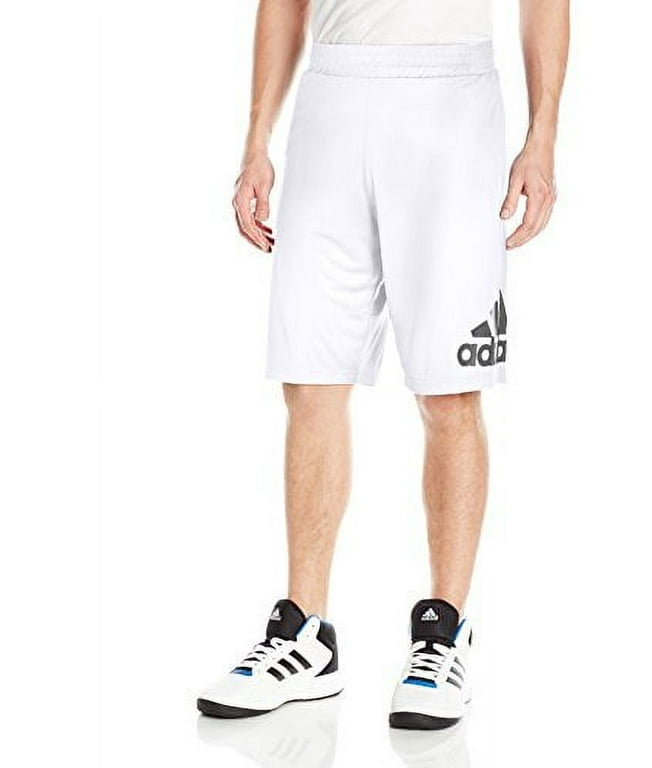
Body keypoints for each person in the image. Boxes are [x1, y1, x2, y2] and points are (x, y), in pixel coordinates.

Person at [198, 0, 569, 730]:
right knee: (310, 377)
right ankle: (305, 632)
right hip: (332, 103)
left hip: (451, 106)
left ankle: (444, 633)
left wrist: (543, 137)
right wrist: (255, 140)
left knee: (449, 390)